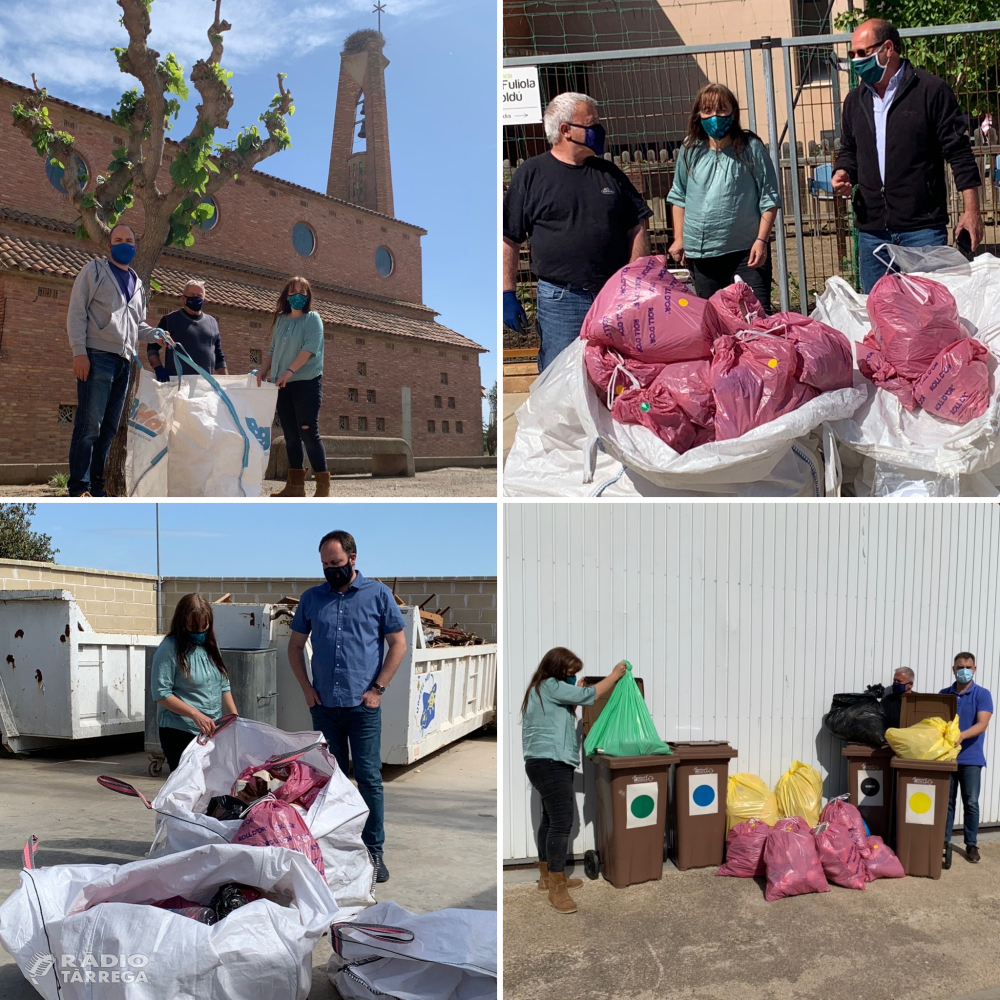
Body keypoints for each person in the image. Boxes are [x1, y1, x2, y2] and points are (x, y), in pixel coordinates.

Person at [288, 530, 407, 882]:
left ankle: (374, 852)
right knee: (331, 781)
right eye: (325, 564)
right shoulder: (312, 599)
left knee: (369, 779)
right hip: (324, 707)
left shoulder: (378, 595)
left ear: (353, 559)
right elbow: (294, 647)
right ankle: (335, 848)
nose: (330, 569)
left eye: (336, 563)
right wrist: (307, 689)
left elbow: (398, 644)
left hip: (362, 707)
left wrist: (378, 689)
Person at [502, 92, 653, 371]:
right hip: (561, 300)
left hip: (613, 296)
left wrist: (636, 281)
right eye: (591, 123)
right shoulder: (532, 174)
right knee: (560, 379)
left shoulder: (608, 173)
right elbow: (509, 238)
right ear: (566, 130)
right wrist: (507, 293)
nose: (599, 129)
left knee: (615, 374)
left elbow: (636, 225)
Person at [831, 18, 983, 293]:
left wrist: (972, 210)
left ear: (888, 48)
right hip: (872, 233)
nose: (855, 61)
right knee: (880, 317)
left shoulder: (930, 91)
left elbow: (958, 152)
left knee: (928, 315)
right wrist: (843, 171)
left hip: (922, 229)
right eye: (852, 54)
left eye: (863, 53)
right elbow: (850, 150)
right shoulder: (855, 101)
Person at [521, 649, 628, 914]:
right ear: (557, 670)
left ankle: (548, 877)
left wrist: (574, 696)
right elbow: (590, 696)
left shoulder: (543, 688)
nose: (574, 677)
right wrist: (615, 675)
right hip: (550, 762)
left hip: (544, 761)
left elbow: (569, 707)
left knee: (549, 819)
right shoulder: (551, 685)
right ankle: (558, 889)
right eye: (570, 673)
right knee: (562, 822)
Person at [667, 83, 781, 311]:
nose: (715, 117)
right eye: (707, 111)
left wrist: (761, 240)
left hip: (746, 255)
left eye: (722, 110)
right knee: (715, 323)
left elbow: (770, 197)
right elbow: (679, 195)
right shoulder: (690, 150)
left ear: (733, 112)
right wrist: (679, 238)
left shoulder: (750, 148)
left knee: (755, 319)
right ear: (698, 114)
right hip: (702, 257)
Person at [66, 223, 156, 497]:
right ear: (109, 245)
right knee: (89, 425)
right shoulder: (93, 270)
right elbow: (76, 312)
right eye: (118, 239)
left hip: (124, 363)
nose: (124, 244)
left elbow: (137, 324)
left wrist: (156, 334)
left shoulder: (138, 284)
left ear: (135, 246)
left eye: (129, 240)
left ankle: (97, 487)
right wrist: (79, 352)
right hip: (96, 357)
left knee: (109, 430)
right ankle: (79, 488)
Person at [256, 277, 329, 497]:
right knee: (290, 436)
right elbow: (272, 350)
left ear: (308, 296)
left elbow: (309, 348)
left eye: (302, 292)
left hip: (306, 382)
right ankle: (295, 486)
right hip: (282, 384)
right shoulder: (281, 321)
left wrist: (290, 371)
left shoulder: (312, 319)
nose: (298, 295)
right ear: (286, 295)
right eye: (293, 291)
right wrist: (263, 371)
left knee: (308, 433)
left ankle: (323, 486)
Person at [151, 594, 238, 772]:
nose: (199, 633)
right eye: (193, 627)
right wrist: (195, 715)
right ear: (182, 623)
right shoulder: (169, 648)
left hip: (211, 731)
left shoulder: (211, 646)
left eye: (203, 627)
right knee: (189, 786)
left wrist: (234, 717)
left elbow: (223, 685)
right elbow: (161, 694)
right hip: (180, 731)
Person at [940, 652, 993, 863]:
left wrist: (962, 735)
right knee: (947, 803)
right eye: (960, 667)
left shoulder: (982, 694)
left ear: (975, 669)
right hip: (947, 758)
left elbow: (982, 724)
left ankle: (971, 844)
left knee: (970, 802)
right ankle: (943, 841)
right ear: (953, 669)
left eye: (968, 667)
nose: (964, 670)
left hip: (971, 758)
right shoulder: (944, 694)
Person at [146, 280, 227, 379]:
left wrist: (225, 382)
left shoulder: (212, 323)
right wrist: (158, 368)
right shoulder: (170, 320)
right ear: (183, 299)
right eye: (192, 295)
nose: (196, 298)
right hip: (177, 384)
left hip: (204, 386)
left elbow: (219, 357)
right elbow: (152, 348)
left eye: (199, 296)